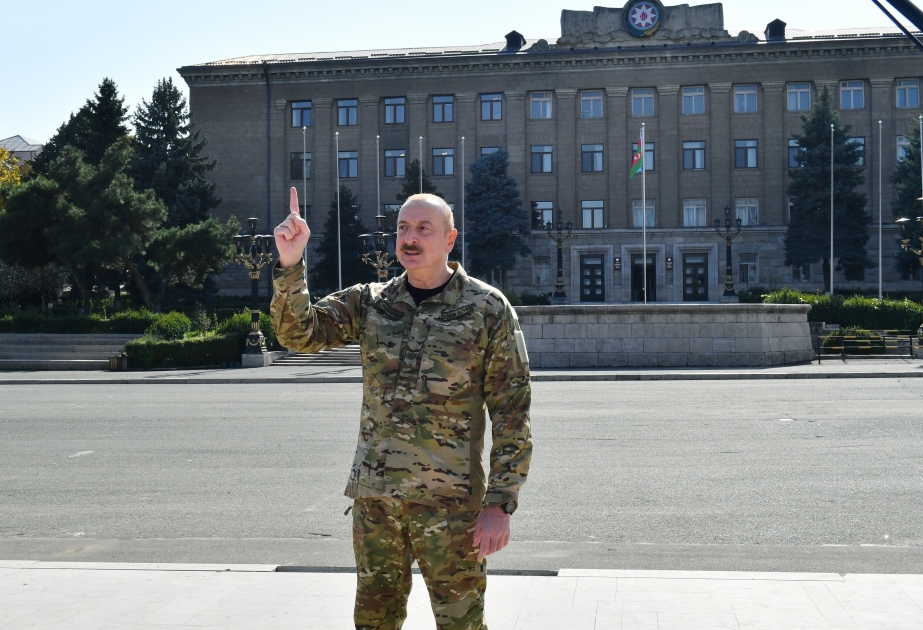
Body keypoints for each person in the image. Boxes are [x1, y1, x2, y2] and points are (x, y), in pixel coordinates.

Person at [271, 187, 532, 630]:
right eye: (403, 228)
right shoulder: (371, 301)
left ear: (449, 240)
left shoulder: (486, 309)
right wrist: (291, 264)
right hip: (376, 502)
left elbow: (512, 411)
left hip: (450, 507)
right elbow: (299, 335)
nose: (410, 238)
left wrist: (500, 503)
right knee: (374, 623)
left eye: (423, 229)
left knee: (461, 624)